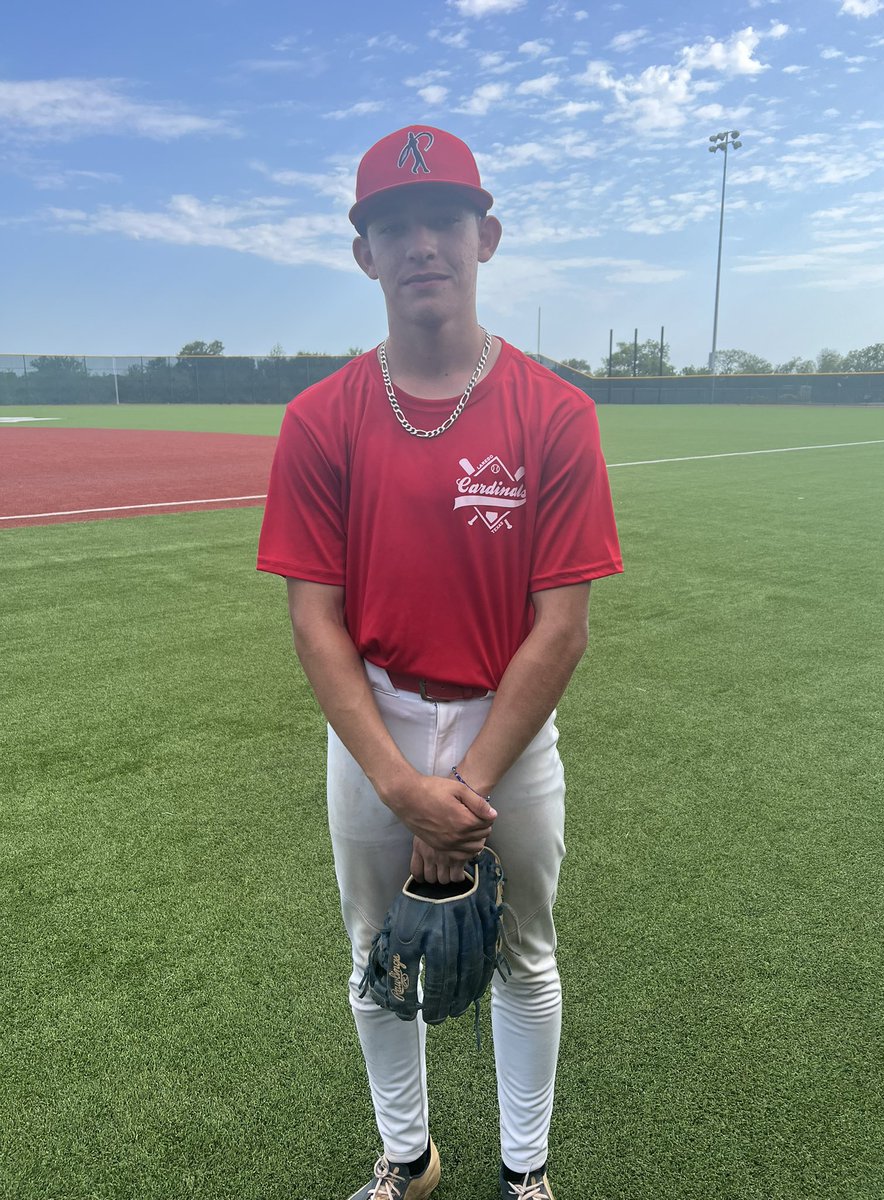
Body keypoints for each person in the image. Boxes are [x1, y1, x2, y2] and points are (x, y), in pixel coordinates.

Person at [257, 124, 622, 1200]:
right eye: (395, 226)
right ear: (365, 253)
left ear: (487, 237)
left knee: (524, 955)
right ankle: (408, 1160)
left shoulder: (556, 413)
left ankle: (527, 1174)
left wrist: (455, 792)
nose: (423, 244)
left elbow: (562, 626)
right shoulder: (319, 419)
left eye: (445, 221)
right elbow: (314, 620)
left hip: (508, 725)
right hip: (376, 726)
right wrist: (399, 784)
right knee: (379, 958)